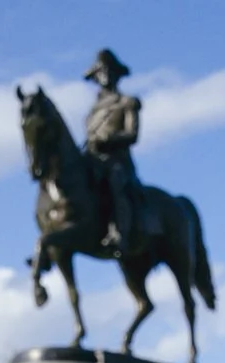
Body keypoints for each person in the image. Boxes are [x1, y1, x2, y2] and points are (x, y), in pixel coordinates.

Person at [83, 49, 141, 258]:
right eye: (100, 71)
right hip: (94, 161)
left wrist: (108, 140)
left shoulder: (127, 102)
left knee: (115, 183)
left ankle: (120, 233)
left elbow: (132, 135)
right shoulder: (92, 111)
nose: (104, 75)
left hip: (118, 161)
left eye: (108, 70)